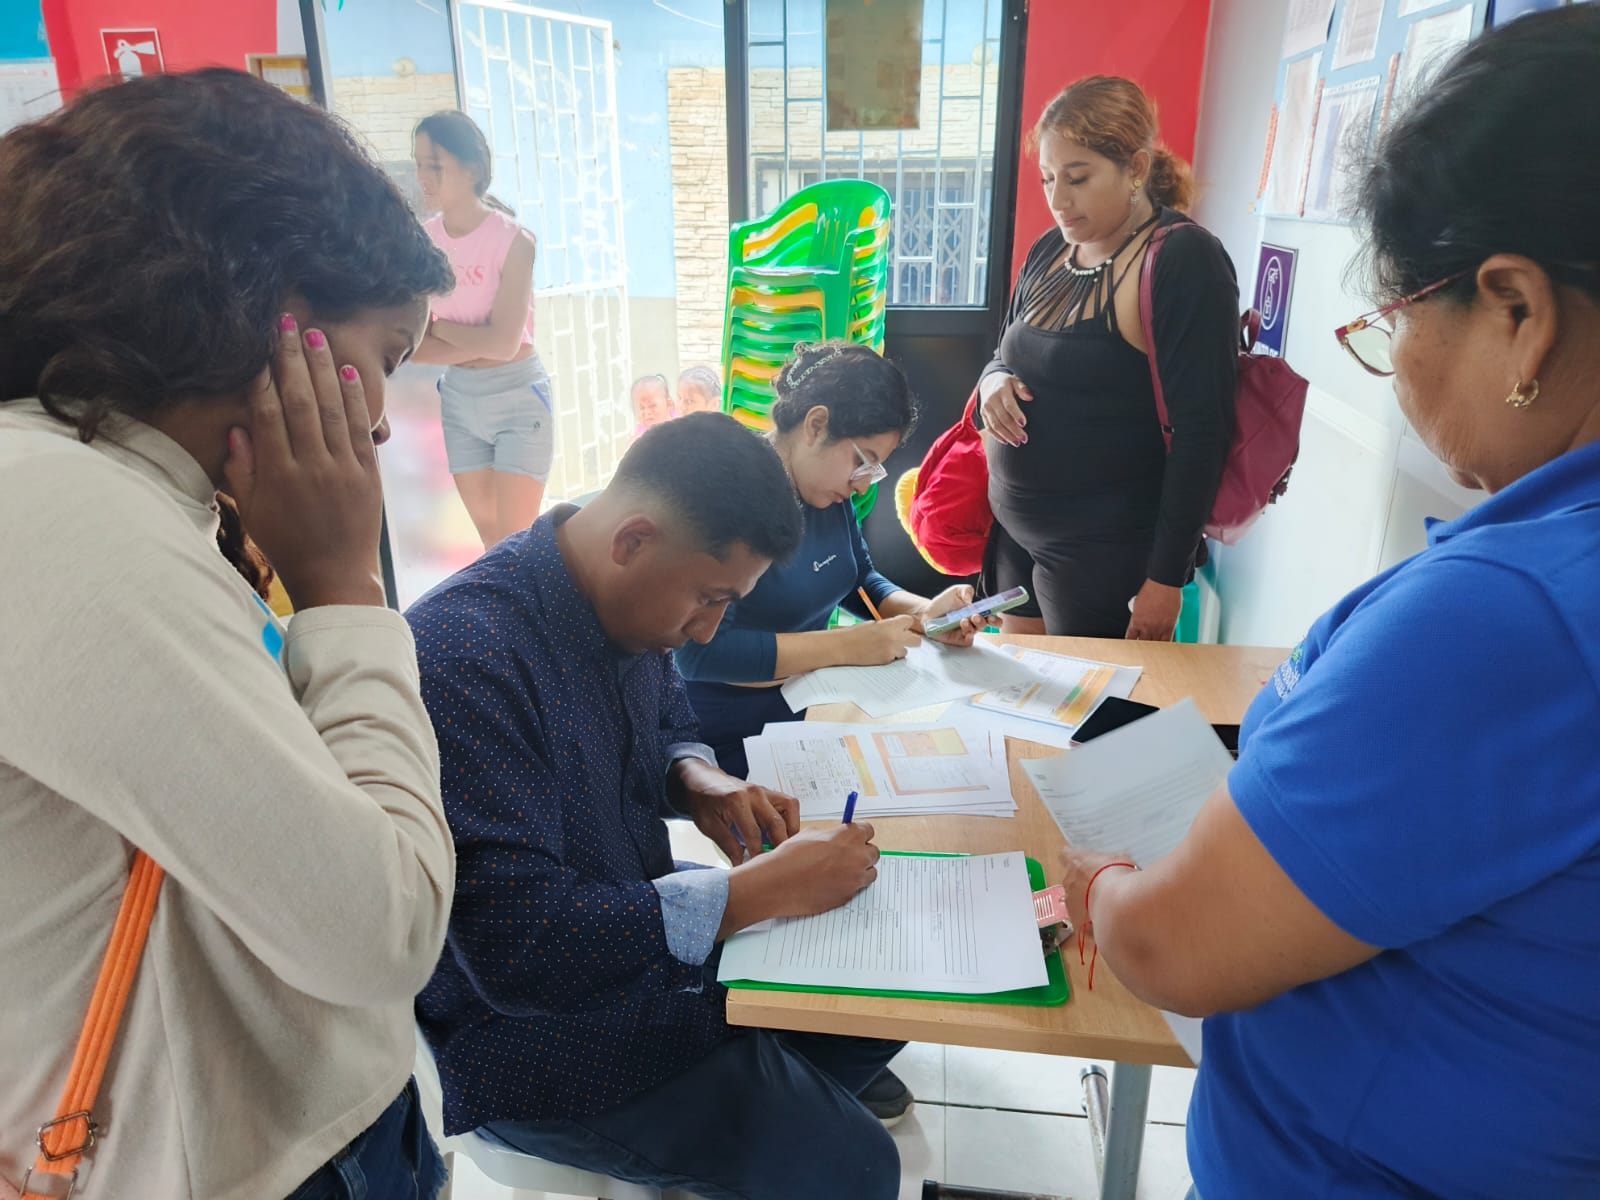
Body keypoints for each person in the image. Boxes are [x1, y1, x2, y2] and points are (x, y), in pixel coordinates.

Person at [1057, 11, 1600, 1197]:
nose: (1392, 365)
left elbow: (1176, 944)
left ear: (1517, 311)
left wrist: (1094, 883)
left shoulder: (1507, 619)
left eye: (1393, 321)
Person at [0, 70, 457, 1200]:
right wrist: (343, 586)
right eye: (388, 356)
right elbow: (382, 929)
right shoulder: (63, 509)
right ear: (277, 307)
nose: (381, 420)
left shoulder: (108, 487)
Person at [409, 413, 905, 1200]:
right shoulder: (464, 657)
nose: (705, 631)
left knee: (886, 988)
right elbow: (520, 948)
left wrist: (699, 780)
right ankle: (770, 1119)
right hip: (527, 1037)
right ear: (633, 540)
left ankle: (763, 1110)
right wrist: (753, 893)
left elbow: (670, 721)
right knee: (858, 1166)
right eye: (708, 600)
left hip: (632, 918)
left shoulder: (624, 602)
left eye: (727, 605)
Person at [978, 76, 1238, 640]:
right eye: (1048, 178)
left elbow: (1203, 431)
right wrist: (994, 380)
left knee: (1091, 699)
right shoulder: (1051, 249)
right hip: (1016, 538)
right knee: (1017, 691)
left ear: (1136, 167)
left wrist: (1166, 579)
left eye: (1078, 178)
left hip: (1106, 555)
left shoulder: (1183, 259)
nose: (1058, 200)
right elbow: (1003, 351)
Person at [676, 341, 984, 778]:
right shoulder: (731, 498)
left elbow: (858, 579)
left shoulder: (824, 492)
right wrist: (847, 646)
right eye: (863, 462)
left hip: (811, 714)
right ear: (816, 425)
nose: (863, 486)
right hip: (723, 744)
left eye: (873, 470)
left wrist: (927, 614)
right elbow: (700, 657)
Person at [412, 110, 550, 551]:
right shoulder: (421, 243)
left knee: (515, 544)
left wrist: (443, 328)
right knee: (491, 545)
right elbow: (414, 346)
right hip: (459, 398)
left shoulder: (514, 240)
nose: (423, 177)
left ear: (472, 169)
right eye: (419, 164)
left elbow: (506, 344)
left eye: (435, 165)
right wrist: (480, 341)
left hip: (517, 394)